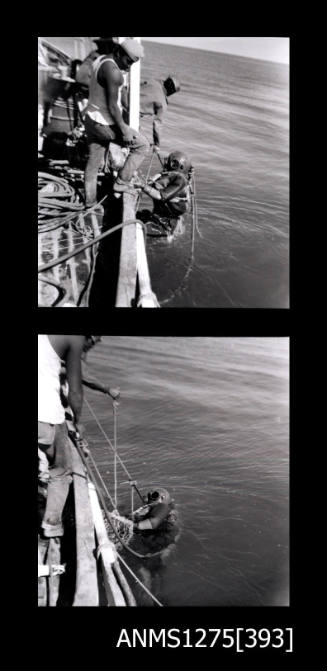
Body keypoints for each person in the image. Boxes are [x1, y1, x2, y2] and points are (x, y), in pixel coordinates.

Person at [38, 335, 119, 538]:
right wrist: (77, 421)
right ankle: (51, 526)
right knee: (60, 471)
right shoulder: (71, 340)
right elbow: (78, 384)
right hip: (45, 415)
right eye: (93, 340)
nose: (92, 345)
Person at [84, 37, 149, 208]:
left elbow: (114, 96)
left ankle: (89, 204)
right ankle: (121, 182)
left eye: (132, 64)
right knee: (142, 146)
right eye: (128, 62)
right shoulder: (113, 71)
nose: (129, 66)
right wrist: (124, 130)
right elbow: (113, 107)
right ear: (119, 52)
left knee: (93, 164)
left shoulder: (101, 59)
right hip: (104, 124)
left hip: (91, 119)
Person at [138, 150, 193, 233]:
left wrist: (142, 186)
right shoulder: (169, 175)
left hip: (165, 225)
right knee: (139, 215)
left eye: (172, 162)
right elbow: (153, 183)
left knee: (138, 226)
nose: (167, 163)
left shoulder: (180, 179)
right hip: (159, 217)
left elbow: (160, 196)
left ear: (178, 166)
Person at [140, 76, 180, 151]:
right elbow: (157, 124)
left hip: (124, 99)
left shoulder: (152, 81)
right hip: (130, 113)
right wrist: (157, 144)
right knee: (143, 146)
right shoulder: (162, 104)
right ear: (172, 92)